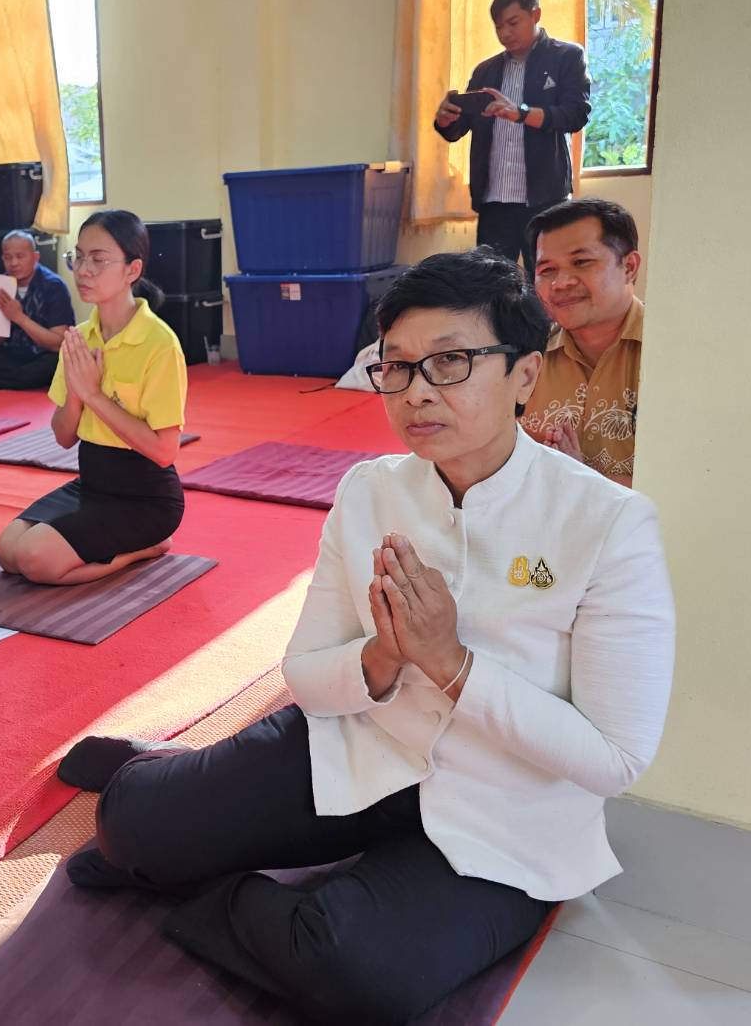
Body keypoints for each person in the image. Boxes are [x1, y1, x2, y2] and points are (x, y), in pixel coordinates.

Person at [58, 248, 675, 1024]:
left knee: (356, 973)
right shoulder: (369, 491)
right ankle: (162, 795)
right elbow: (308, 675)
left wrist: (451, 667)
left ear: (523, 376)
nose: (416, 392)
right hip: (362, 743)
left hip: (504, 808)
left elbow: (614, 759)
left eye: (450, 362)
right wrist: (383, 656)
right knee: (130, 825)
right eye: (395, 367)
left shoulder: (608, 524)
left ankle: (208, 888)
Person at [0, 211, 187, 585]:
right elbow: (64, 436)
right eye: (79, 257)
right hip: (92, 484)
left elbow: (165, 452)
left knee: (36, 561)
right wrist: (77, 398)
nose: (83, 270)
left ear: (132, 270)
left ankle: (146, 547)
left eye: (98, 260)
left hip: (145, 497)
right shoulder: (80, 337)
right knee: (8, 552)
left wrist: (93, 395)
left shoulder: (160, 343)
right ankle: (116, 543)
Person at [434, 0, 592, 279]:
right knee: (489, 286)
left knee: (549, 283)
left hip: (545, 199)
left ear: (536, 15)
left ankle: (549, 329)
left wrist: (519, 113)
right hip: (494, 200)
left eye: (512, 23)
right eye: (498, 27)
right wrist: (445, 119)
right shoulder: (486, 71)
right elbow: (459, 128)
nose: (505, 33)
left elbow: (575, 114)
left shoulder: (566, 57)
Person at [522, 198, 644, 486]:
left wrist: (580, 478)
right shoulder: (526, 355)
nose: (560, 283)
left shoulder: (669, 354)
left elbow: (691, 487)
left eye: (581, 262)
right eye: (546, 270)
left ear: (629, 267)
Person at [0, 230, 75, 390]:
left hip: (44, 354)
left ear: (35, 257)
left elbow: (58, 343)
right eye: (8, 257)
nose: (13, 263)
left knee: (54, 364)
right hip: (14, 354)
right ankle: (16, 379)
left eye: (20, 256)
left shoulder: (54, 286)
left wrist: (20, 318)